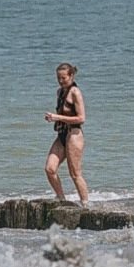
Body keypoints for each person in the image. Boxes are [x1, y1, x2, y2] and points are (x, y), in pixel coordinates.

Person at [44, 62, 89, 203]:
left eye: (64, 78)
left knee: (75, 174)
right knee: (50, 169)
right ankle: (62, 199)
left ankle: (85, 204)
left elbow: (82, 118)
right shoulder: (59, 92)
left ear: (71, 75)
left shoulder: (75, 92)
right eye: (59, 78)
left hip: (74, 135)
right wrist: (52, 118)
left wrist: (57, 117)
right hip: (62, 135)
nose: (61, 81)